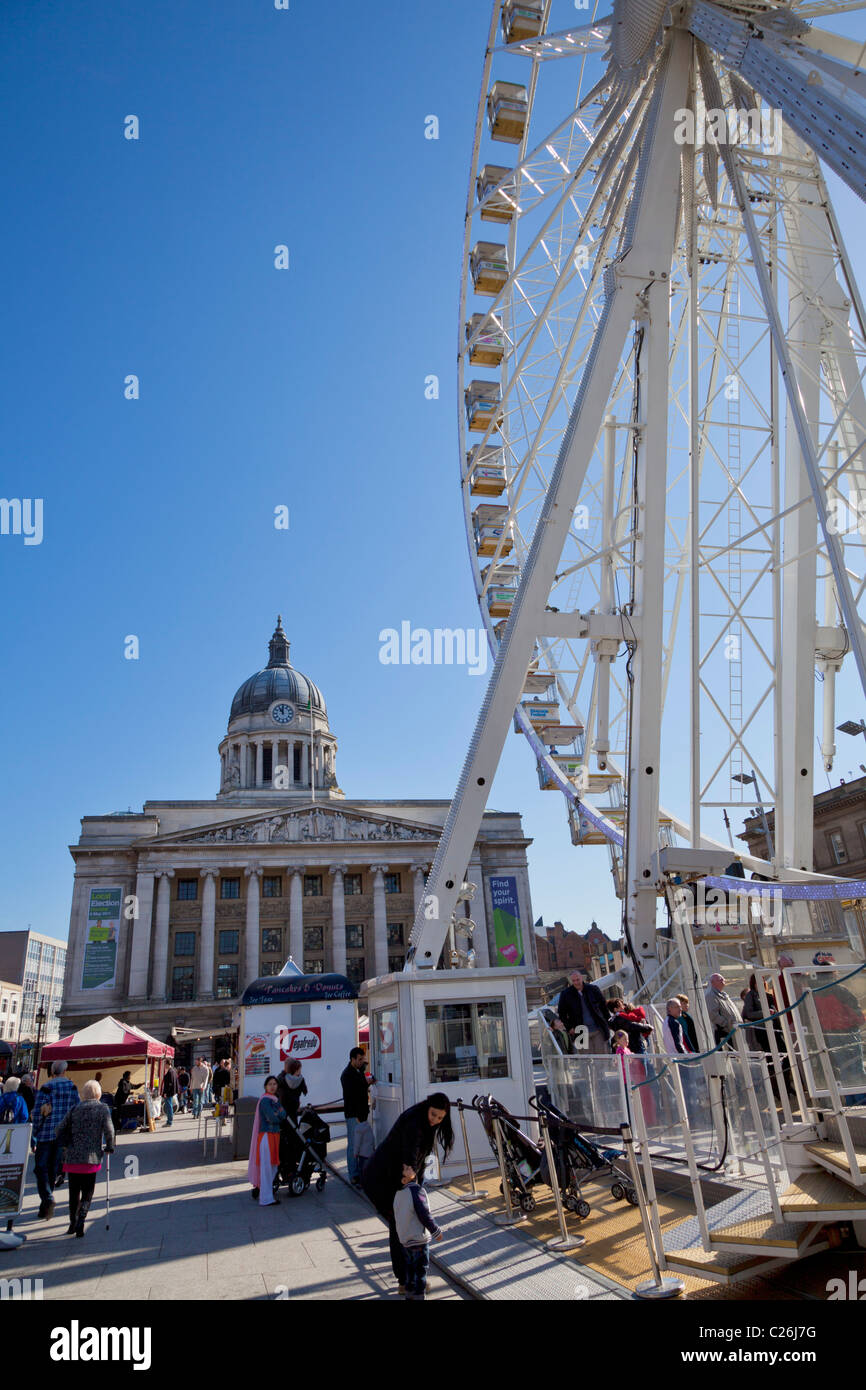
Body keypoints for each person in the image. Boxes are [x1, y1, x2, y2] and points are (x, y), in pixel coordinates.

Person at [362, 1094, 453, 1298]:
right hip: (381, 1179)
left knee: (401, 1226)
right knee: (401, 1226)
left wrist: (415, 1182)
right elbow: (410, 1154)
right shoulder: (415, 1123)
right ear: (427, 1107)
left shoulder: (423, 1119)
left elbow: (418, 1158)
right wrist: (410, 1175)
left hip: (389, 1176)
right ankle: (406, 1281)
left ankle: (406, 1280)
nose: (435, 1121)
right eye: (433, 1115)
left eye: (440, 1118)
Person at [55, 1079, 114, 1238]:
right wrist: (110, 1146)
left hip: (73, 1158)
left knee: (73, 1192)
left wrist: (67, 1141)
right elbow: (109, 1130)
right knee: (88, 1190)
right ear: (99, 1093)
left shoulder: (75, 1109)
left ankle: (72, 1222)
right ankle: (82, 1217)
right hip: (91, 1157)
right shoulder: (102, 1109)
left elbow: (59, 1129)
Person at [29, 1060, 80, 1219]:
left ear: (52, 1072)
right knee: (52, 1169)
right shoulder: (72, 1087)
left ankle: (47, 1199)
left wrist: (34, 1133)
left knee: (40, 1168)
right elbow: (76, 1110)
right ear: (64, 1071)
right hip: (62, 1135)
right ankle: (45, 1205)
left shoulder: (46, 1088)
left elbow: (37, 1113)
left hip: (46, 1135)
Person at [393, 1167, 443, 1301]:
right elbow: (424, 1214)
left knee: (409, 1269)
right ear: (404, 1180)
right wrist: (435, 1230)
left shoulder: (398, 1194)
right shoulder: (416, 1191)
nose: (409, 1167)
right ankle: (419, 1295)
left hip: (405, 1239)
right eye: (406, 1169)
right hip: (419, 1239)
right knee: (421, 1270)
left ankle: (409, 1293)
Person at [247, 1076, 286, 1207]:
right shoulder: (265, 1101)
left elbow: (282, 1114)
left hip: (273, 1136)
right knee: (267, 1168)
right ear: (265, 1086)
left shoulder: (274, 1100)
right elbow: (272, 1117)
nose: (273, 1086)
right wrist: (278, 1114)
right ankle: (266, 1198)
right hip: (267, 1137)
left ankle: (267, 1196)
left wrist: (278, 1114)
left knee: (272, 1167)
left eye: (275, 1084)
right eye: (270, 1084)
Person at [557, 971, 611, 1054]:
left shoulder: (593, 989)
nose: (576, 982)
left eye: (577, 980)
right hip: (579, 1031)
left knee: (602, 1057)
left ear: (582, 978)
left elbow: (604, 1007)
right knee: (586, 1060)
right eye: (573, 980)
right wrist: (569, 1028)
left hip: (597, 1029)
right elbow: (562, 1013)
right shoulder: (566, 994)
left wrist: (607, 1023)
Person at [341, 1046, 373, 1185]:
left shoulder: (359, 1071)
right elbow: (352, 1094)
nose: (362, 1062)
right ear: (352, 1059)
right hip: (354, 1115)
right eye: (360, 1059)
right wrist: (365, 1083)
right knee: (354, 1146)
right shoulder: (347, 1075)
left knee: (363, 1146)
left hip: (362, 1114)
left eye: (363, 1059)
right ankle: (353, 1174)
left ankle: (361, 1172)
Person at [704, 973, 741, 1047]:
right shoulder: (710, 996)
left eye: (723, 979)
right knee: (729, 1056)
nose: (722, 980)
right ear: (712, 983)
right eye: (719, 979)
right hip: (724, 1032)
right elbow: (712, 1014)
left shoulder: (724, 995)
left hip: (732, 1030)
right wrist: (726, 1024)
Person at [160, 1062, 179, 1126]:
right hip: (171, 1092)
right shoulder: (173, 1071)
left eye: (165, 1064)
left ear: (168, 1064)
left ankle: (169, 1121)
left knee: (169, 1106)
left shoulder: (170, 1072)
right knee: (169, 1106)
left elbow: (170, 1084)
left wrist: (166, 1092)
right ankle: (169, 1121)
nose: (164, 1066)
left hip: (169, 1092)